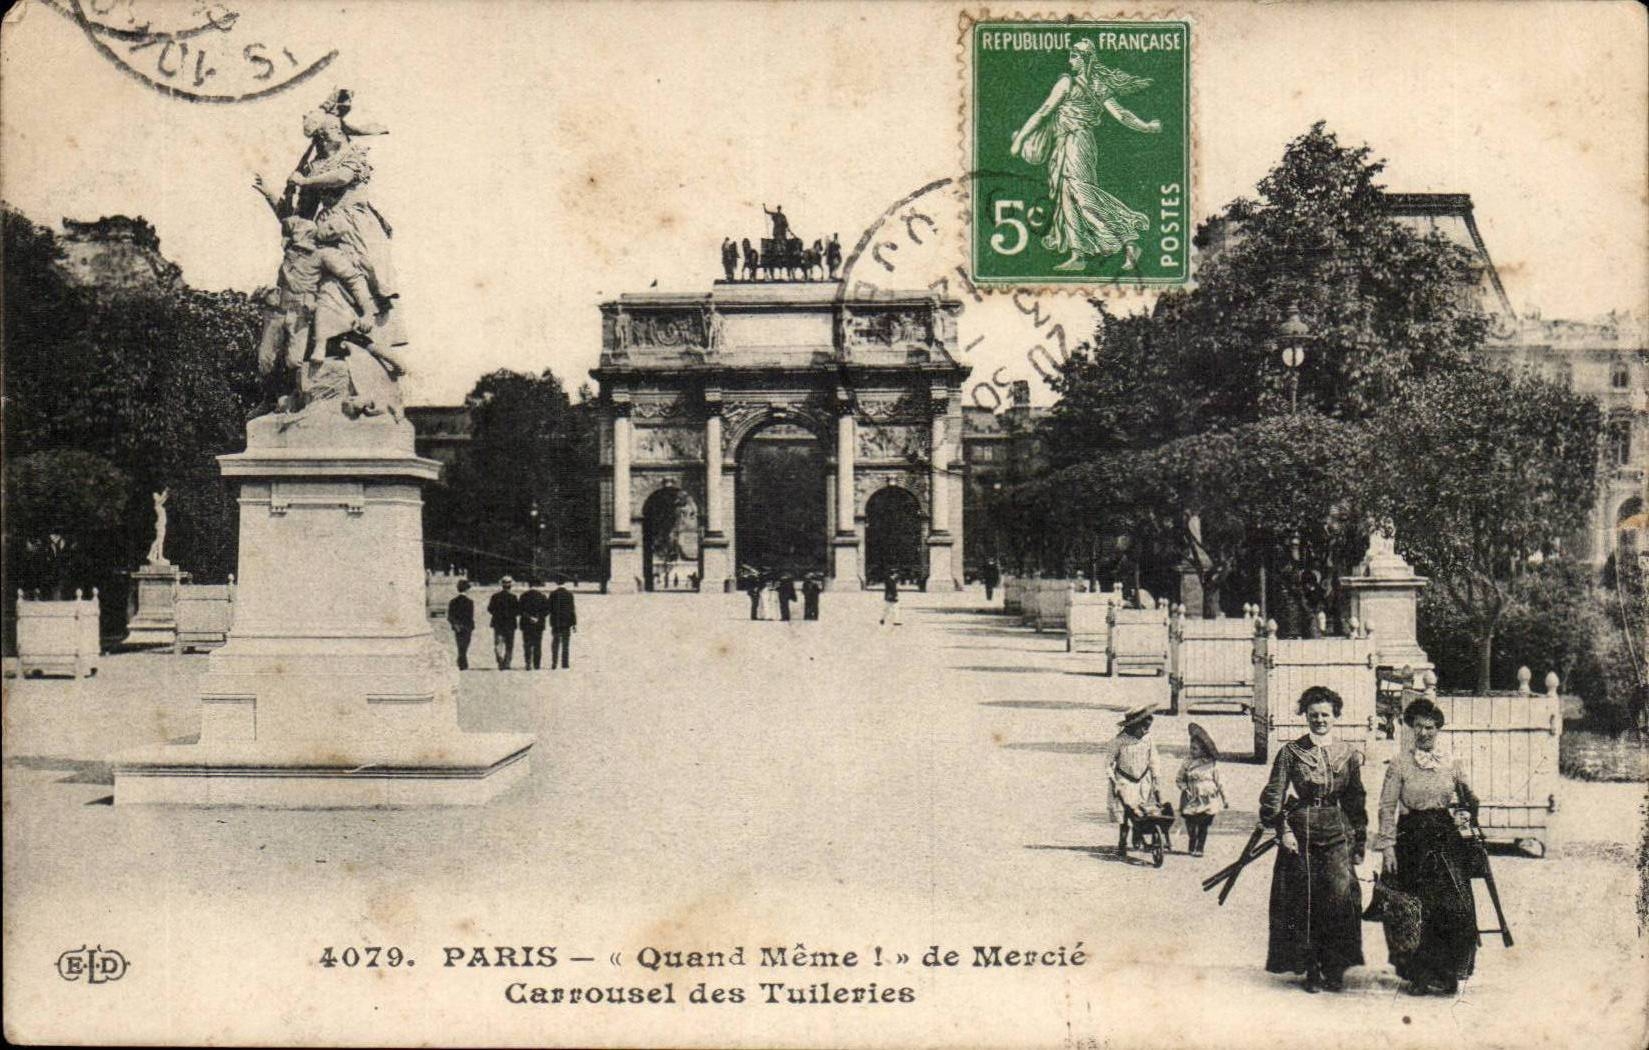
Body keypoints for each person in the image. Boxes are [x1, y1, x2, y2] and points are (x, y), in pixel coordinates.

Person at [1010, 39, 1162, 273]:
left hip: (1077, 143)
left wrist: (1020, 140)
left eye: (1074, 56)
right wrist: (1147, 127)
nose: (1070, 61)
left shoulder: (1069, 83)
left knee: (1083, 195)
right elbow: (1121, 115)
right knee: (1066, 197)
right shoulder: (1094, 84)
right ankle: (1078, 254)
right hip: (1065, 143)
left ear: (1085, 59)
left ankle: (1129, 241)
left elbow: (1043, 113)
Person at [1259, 686, 1368, 993]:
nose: (1319, 720)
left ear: (1335, 717)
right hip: (1302, 832)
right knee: (1304, 902)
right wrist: (1284, 831)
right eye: (1313, 715)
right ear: (1305, 717)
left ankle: (1335, 968)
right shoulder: (1290, 752)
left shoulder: (1348, 753)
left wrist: (1359, 841)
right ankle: (1311, 969)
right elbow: (1273, 796)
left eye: (1325, 715)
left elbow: (1356, 798)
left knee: (1339, 899)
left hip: (1338, 832)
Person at [1373, 697, 1481, 997]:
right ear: (1410, 729)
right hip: (1412, 841)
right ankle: (1419, 975)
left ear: (1438, 730)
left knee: (1453, 907)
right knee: (1417, 909)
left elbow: (1469, 800)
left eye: (1430, 727)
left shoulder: (1451, 762)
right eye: (1418, 727)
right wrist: (1388, 847)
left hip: (1446, 841)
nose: (1425, 733)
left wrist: (1465, 812)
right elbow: (1386, 807)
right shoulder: (1399, 764)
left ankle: (1448, 973)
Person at [1108, 705, 1163, 850]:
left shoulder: (1148, 739)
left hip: (1142, 780)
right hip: (1124, 780)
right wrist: (1114, 782)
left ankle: (1138, 837)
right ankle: (1123, 840)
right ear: (1134, 726)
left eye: (1148, 727)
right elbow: (1108, 764)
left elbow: (1154, 759)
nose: (1146, 731)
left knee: (1141, 811)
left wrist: (1156, 778)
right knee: (1126, 811)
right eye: (1143, 728)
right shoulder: (1119, 741)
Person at [1177, 723, 1227, 857]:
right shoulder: (1187, 762)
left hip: (1208, 799)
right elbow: (1179, 779)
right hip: (1191, 798)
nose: (1192, 751)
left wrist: (1224, 798)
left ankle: (1200, 848)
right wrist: (1184, 788)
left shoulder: (1212, 765)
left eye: (1195, 749)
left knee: (1204, 825)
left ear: (1203, 750)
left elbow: (1219, 782)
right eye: (1191, 748)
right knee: (1190, 823)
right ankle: (1192, 839)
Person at [487, 576, 520, 670]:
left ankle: (500, 660)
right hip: (510, 624)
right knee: (509, 645)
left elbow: (490, 609)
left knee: (498, 644)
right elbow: (517, 611)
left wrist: (497, 614)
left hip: (498, 623)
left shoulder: (495, 596)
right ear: (511, 586)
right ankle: (507, 663)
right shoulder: (513, 597)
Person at [518, 579, 551, 670]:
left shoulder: (523, 596)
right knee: (537, 644)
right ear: (537, 585)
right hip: (538, 624)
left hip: (526, 623)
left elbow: (519, 610)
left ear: (529, 585)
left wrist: (529, 617)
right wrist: (538, 617)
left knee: (527, 644)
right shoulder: (542, 596)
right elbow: (547, 610)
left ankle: (528, 663)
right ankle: (537, 664)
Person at [548, 576, 577, 670]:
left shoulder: (553, 594)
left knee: (555, 643)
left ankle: (554, 663)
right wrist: (574, 624)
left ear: (557, 583)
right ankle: (565, 664)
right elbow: (572, 610)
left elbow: (549, 608)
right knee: (565, 644)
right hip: (566, 623)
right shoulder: (569, 595)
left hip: (555, 622)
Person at [446, 579, 475, 671]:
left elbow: (450, 616)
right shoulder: (470, 602)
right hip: (467, 626)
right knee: (465, 645)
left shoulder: (453, 601)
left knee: (460, 645)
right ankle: (463, 663)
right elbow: (470, 616)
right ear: (467, 589)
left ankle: (461, 662)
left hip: (458, 626)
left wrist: (455, 625)